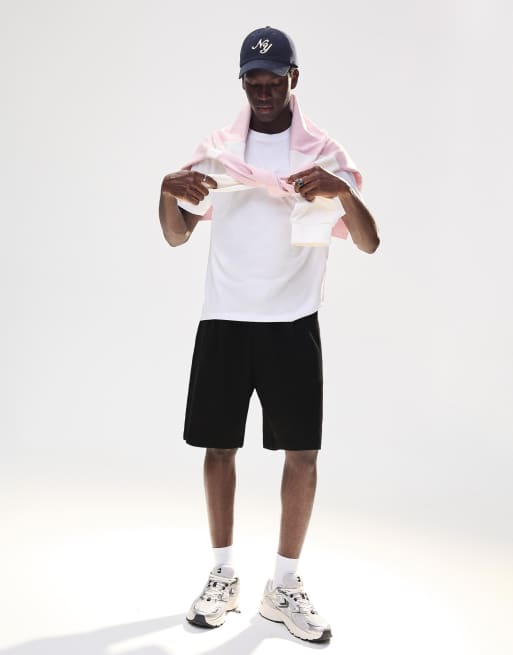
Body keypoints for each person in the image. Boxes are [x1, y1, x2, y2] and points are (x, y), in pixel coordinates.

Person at [158, 26, 379, 643]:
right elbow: (176, 234)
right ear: (242, 83)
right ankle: (223, 574)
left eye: (273, 80)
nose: (262, 91)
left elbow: (368, 241)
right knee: (218, 449)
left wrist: (342, 191)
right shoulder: (217, 150)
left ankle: (283, 586)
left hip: (292, 323)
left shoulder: (324, 153)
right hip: (225, 319)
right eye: (252, 81)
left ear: (293, 79)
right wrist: (166, 192)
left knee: (301, 455)